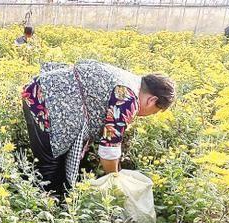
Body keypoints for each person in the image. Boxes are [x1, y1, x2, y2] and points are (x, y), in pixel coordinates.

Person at [21, 60, 175, 197]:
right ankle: (46, 208)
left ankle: (57, 200)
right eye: (153, 112)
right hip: (43, 101)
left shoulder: (129, 80)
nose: (144, 116)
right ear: (152, 100)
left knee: (59, 163)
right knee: (50, 166)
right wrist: (115, 183)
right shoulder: (128, 97)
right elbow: (109, 149)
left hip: (46, 94)